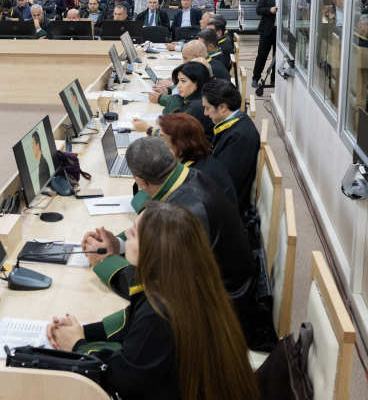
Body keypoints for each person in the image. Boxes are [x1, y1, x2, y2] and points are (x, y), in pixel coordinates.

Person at [51, 201, 259, 400]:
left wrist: (78, 346)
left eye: (134, 232)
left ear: (155, 249)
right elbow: (130, 321)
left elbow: (123, 381)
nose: (127, 234)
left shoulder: (160, 311)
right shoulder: (184, 278)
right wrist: (82, 331)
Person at [80, 138, 263, 350]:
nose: (130, 230)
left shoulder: (186, 212)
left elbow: (157, 283)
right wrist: (119, 244)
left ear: (141, 182)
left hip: (222, 318)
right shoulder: (188, 178)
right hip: (223, 291)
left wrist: (104, 261)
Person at [202, 80, 261, 212]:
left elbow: (223, 182)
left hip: (227, 209)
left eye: (207, 108)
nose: (205, 113)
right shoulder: (237, 122)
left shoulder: (239, 137)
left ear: (222, 107)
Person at [157, 113, 236, 201]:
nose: (158, 143)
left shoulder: (195, 176)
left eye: (163, 138)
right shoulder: (195, 158)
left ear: (181, 143)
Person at [134, 60, 214, 137]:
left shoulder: (197, 106)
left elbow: (177, 137)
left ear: (196, 84)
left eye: (183, 81)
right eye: (178, 81)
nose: (178, 85)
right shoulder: (192, 98)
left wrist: (148, 129)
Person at [251, 0, 278, 87]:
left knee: (277, 56)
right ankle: (256, 78)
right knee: (262, 55)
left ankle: (274, 79)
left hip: (280, 32)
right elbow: (259, 10)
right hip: (267, 30)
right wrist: (269, 10)